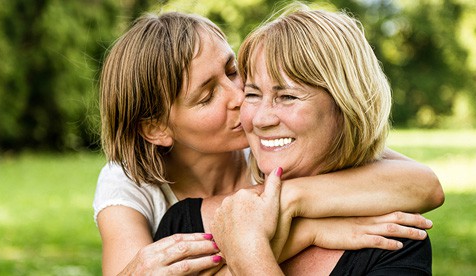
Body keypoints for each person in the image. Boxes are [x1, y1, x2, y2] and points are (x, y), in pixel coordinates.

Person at [94, 11, 444, 276]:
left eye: (234, 72)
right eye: (206, 97)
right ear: (155, 128)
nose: (241, 100)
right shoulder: (133, 188)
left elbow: (423, 183)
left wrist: (287, 200)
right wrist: (306, 231)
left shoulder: (268, 144)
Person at [211, 4, 435, 275]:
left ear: (345, 107)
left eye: (288, 97)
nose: (260, 119)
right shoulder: (191, 219)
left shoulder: (390, 238)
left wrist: (248, 253)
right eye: (253, 94)